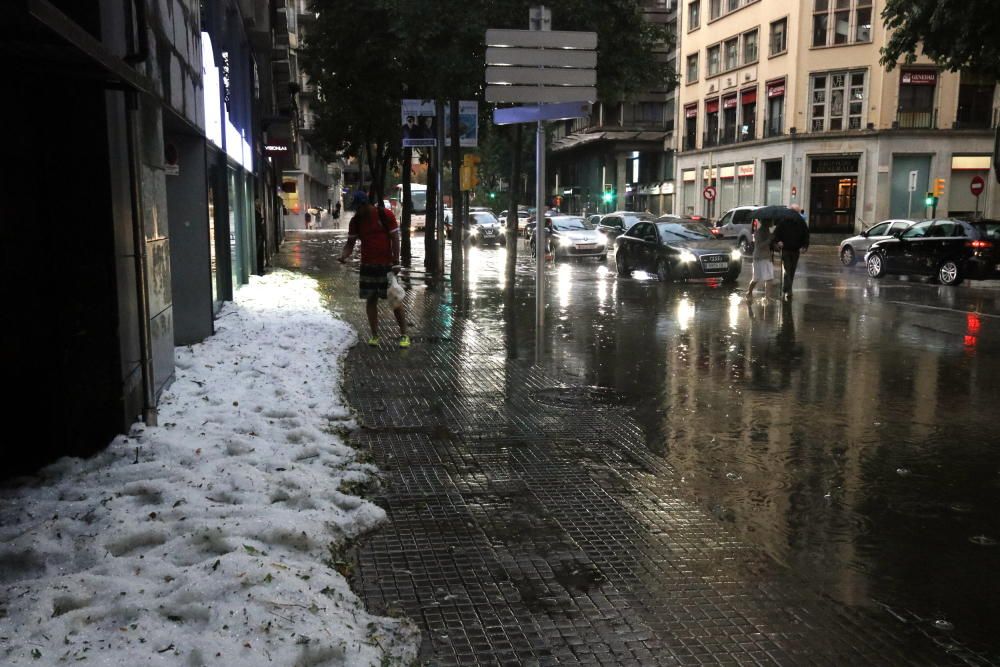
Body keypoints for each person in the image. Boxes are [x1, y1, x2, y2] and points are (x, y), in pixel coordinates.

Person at [338, 192, 410, 348]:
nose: (357, 211)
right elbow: (350, 243)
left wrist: (396, 261)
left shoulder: (384, 215)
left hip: (386, 266)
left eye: (358, 208)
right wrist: (344, 256)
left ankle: (404, 335)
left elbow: (395, 238)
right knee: (371, 300)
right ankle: (375, 335)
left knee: (395, 300)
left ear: (365, 204)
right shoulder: (356, 221)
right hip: (367, 266)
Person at [773, 204, 810, 300]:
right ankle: (788, 289)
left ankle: (787, 288)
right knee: (788, 269)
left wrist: (804, 246)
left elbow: (805, 235)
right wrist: (778, 241)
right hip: (787, 250)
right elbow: (776, 234)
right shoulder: (784, 221)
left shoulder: (799, 222)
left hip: (794, 250)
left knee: (791, 270)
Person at [745, 218, 774, 301]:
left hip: (764, 257)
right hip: (761, 257)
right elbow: (759, 246)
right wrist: (769, 239)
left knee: (765, 278)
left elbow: (768, 244)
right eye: (771, 220)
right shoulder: (759, 232)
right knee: (764, 278)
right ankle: (764, 296)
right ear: (766, 221)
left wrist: (776, 245)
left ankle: (765, 296)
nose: (773, 222)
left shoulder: (767, 231)